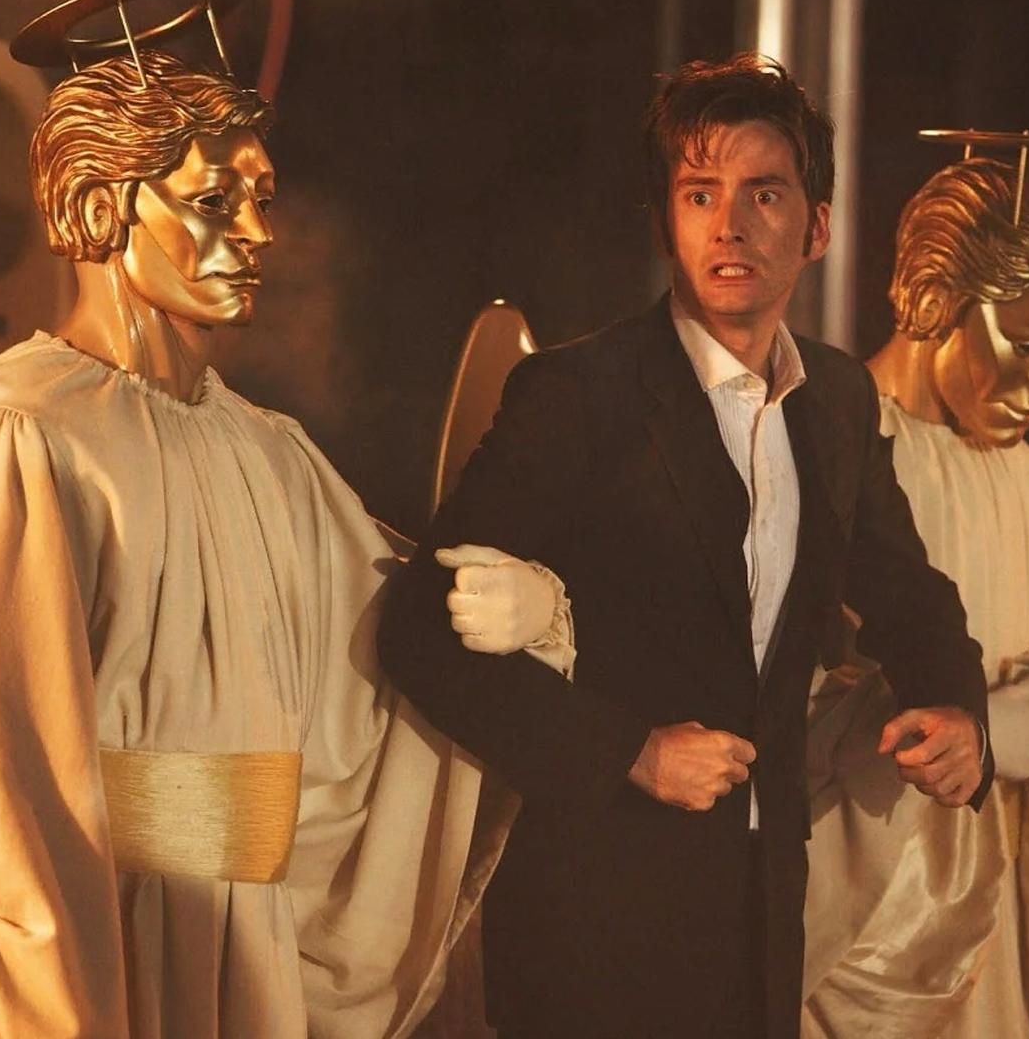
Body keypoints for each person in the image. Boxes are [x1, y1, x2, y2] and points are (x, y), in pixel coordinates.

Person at [0, 48, 567, 1039]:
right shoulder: (23, 434)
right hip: (93, 946)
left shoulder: (268, 450)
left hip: (244, 945)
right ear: (102, 207)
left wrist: (530, 606)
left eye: (262, 197)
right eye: (215, 200)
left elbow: (386, 679)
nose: (257, 231)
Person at [377, 54, 992, 1039]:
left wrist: (956, 709)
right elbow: (419, 629)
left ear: (818, 227)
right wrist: (629, 753)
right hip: (590, 916)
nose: (728, 225)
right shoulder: (578, 396)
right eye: (700, 194)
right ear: (667, 221)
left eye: (764, 194)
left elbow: (908, 593)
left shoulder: (838, 399)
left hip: (764, 911)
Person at [802, 156, 1029, 1037]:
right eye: (1028, 343)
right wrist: (942, 726)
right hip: (865, 925)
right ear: (937, 300)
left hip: (1000, 922)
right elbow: (756, 684)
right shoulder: (825, 448)